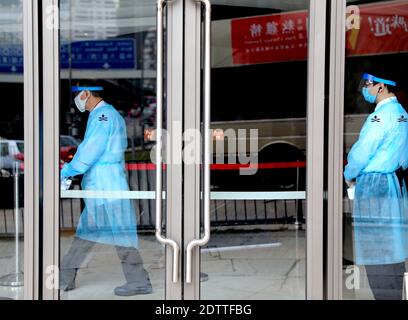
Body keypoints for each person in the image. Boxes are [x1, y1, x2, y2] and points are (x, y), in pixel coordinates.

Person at [60, 83, 152, 296]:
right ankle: (65, 277)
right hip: (104, 184)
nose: (76, 101)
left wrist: (67, 171)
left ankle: (138, 282)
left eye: (77, 96)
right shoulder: (106, 114)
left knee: (119, 234)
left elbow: (90, 149)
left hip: (106, 186)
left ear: (85, 93)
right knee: (87, 232)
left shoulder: (103, 116)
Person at [344, 71, 408, 300]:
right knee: (394, 249)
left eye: (367, 85)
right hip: (394, 184)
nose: (365, 89)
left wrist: (349, 173)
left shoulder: (378, 118)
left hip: (374, 185)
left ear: (381, 87)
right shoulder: (402, 114)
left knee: (376, 250)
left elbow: (362, 154)